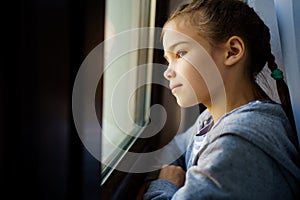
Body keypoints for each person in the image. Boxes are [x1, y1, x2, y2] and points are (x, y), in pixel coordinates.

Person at [143, 0, 300, 199]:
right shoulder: (209, 120)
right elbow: (175, 148)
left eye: (180, 53)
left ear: (232, 51)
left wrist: (165, 185)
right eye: (168, 60)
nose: (167, 72)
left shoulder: (240, 141)